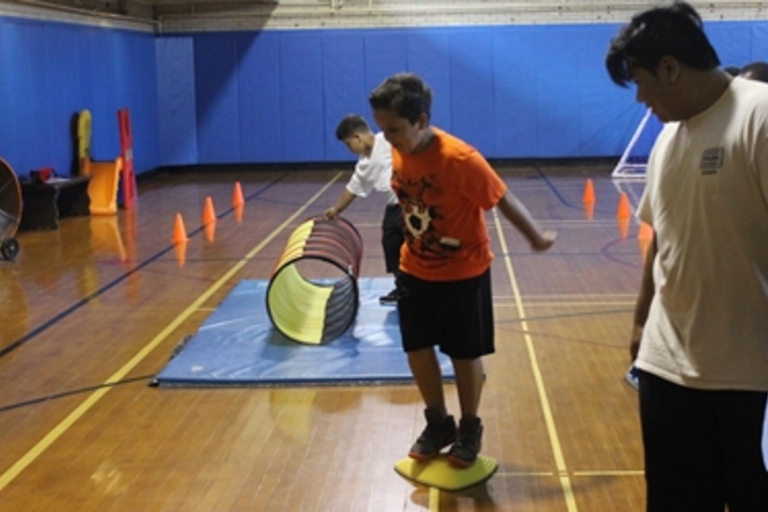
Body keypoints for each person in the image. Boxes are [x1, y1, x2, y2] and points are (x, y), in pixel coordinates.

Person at [606, 2, 768, 510]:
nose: (640, 97)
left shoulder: (758, 115)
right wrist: (639, 324)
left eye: (640, 81)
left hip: (748, 374)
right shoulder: (668, 138)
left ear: (670, 67)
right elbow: (661, 239)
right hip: (666, 367)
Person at [368, 73, 556, 468]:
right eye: (382, 129)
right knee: (417, 349)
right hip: (413, 268)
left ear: (421, 120)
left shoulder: (461, 159)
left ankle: (469, 427)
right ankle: (438, 423)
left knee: (464, 354)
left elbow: (502, 199)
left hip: (462, 273)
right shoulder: (398, 148)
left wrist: (536, 236)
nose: (387, 139)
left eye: (395, 129)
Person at [325, 114, 404, 304]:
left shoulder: (386, 140)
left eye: (348, 144)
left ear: (357, 137)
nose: (349, 149)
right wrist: (336, 210)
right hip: (393, 208)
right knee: (390, 244)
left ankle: (421, 289)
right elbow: (352, 189)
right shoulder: (363, 164)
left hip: (411, 205)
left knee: (414, 249)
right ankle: (402, 288)